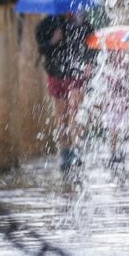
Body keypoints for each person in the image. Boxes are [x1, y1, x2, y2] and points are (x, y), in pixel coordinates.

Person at [35, 12, 95, 173]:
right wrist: (53, 40)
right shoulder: (48, 23)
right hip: (56, 74)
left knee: (74, 111)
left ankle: (76, 149)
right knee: (61, 117)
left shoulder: (83, 24)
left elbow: (92, 45)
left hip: (75, 74)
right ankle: (65, 152)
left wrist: (89, 62)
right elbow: (42, 48)